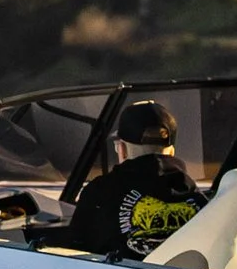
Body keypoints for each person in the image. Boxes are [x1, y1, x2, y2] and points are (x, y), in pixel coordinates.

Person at [37, 99, 205, 258]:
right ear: (172, 151)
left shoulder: (100, 193)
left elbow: (74, 254)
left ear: (122, 149)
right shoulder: (198, 197)